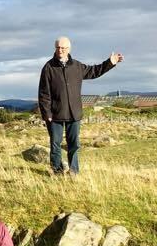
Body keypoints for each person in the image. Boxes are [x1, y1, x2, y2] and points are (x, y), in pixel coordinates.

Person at [37, 36, 123, 175]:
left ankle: (74, 171)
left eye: (63, 48)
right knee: (55, 145)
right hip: (55, 115)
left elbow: (94, 71)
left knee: (74, 145)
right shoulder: (48, 68)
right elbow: (43, 93)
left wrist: (110, 63)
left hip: (74, 114)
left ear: (69, 49)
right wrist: (47, 114)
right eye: (58, 47)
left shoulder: (76, 66)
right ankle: (57, 172)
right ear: (55, 48)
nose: (60, 50)